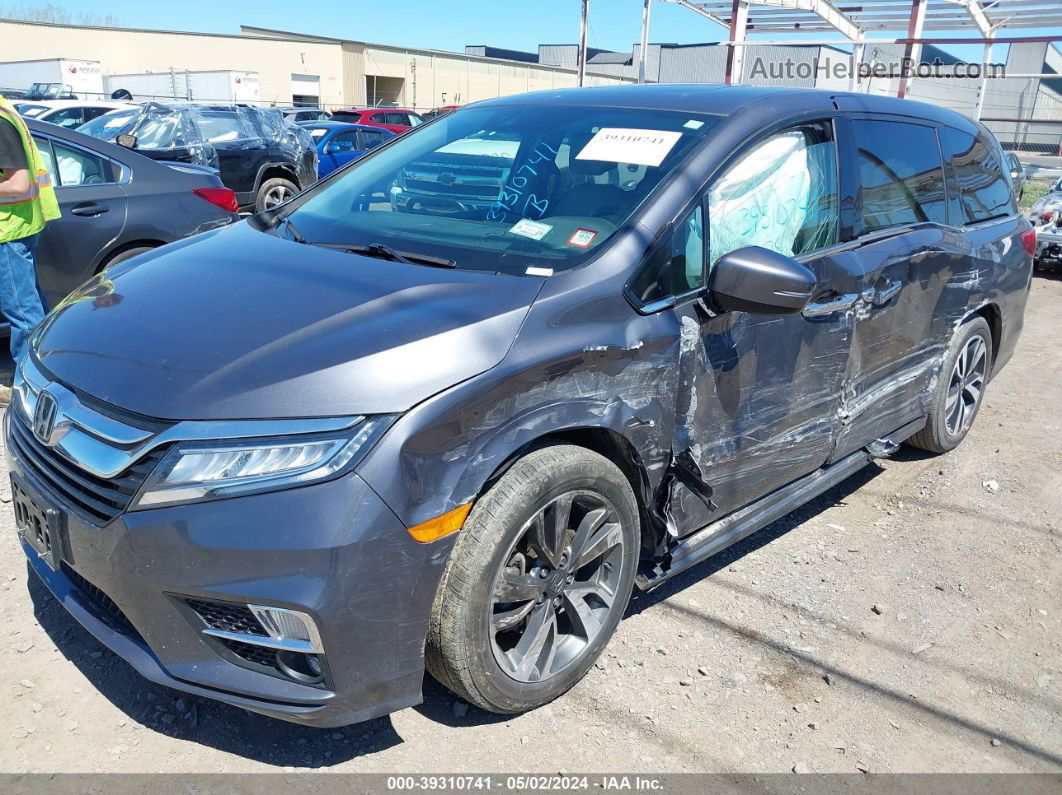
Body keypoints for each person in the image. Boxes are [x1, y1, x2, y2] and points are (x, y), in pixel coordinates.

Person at [0, 95, 60, 405]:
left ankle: (30, 393)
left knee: (24, 316)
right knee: (30, 310)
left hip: (9, 231)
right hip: (16, 227)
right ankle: (48, 375)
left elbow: (20, 184)